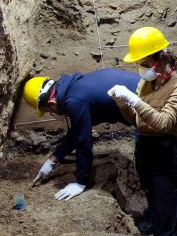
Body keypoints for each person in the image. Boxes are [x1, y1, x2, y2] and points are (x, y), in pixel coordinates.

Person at [108, 26, 177, 236]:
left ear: (159, 60)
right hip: (146, 150)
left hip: (166, 155)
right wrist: (122, 104)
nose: (140, 69)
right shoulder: (148, 84)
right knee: (161, 207)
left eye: (144, 63)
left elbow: (165, 123)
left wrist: (134, 101)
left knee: (164, 218)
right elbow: (137, 119)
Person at [23, 69, 140, 200]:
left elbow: (83, 142)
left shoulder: (74, 101)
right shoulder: (72, 87)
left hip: (149, 110)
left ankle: (155, 211)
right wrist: (52, 161)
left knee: (152, 165)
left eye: (48, 110)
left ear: (51, 103)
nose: (52, 114)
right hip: (144, 99)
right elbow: (78, 130)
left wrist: (81, 183)